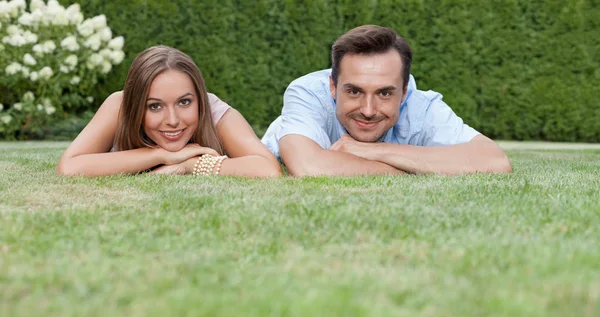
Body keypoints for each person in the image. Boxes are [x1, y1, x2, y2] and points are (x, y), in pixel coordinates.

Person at [262, 25, 512, 176]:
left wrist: (372, 151)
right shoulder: (307, 93)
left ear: (404, 92)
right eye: (354, 92)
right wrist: (408, 170)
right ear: (333, 87)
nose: (368, 111)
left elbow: (495, 161)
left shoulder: (422, 106)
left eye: (384, 93)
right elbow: (308, 167)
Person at [57, 46, 282, 177]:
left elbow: (268, 169)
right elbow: (68, 167)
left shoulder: (217, 113)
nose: (173, 120)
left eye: (184, 102)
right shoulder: (119, 106)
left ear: (199, 99)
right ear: (135, 105)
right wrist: (160, 155)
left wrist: (189, 164)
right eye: (155, 106)